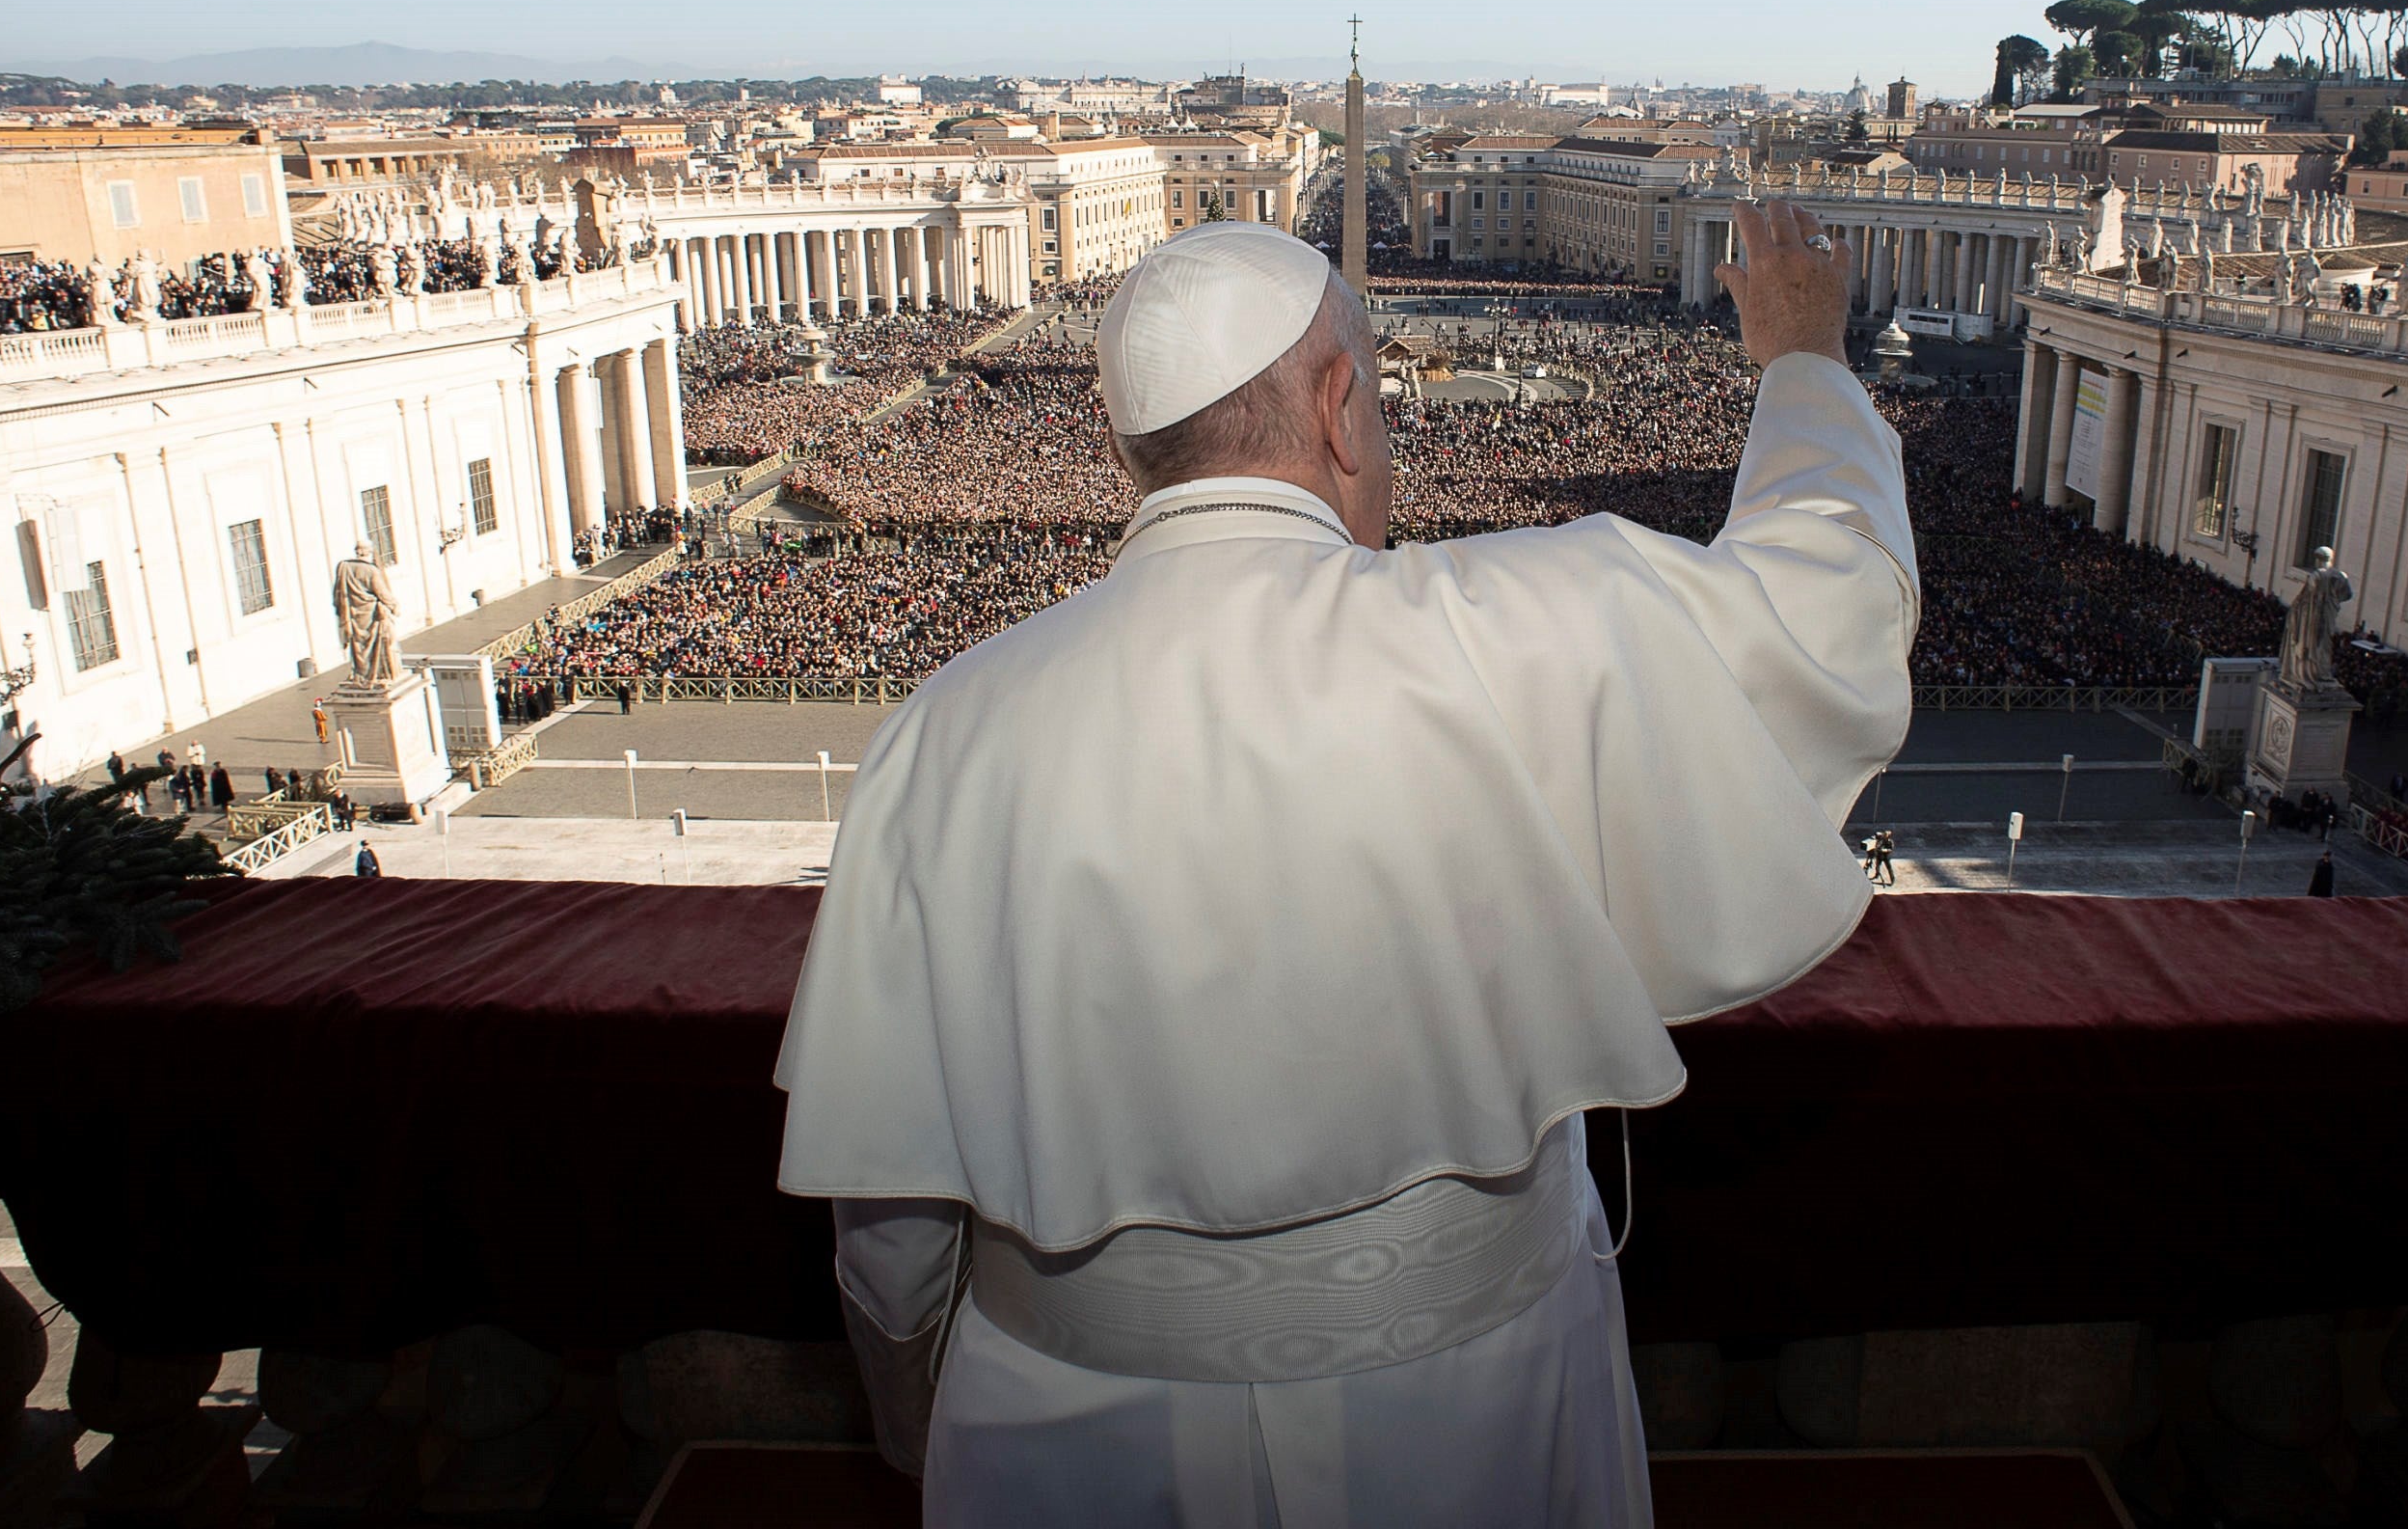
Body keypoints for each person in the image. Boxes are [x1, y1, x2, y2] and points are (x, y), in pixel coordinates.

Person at [779, 209, 1916, 1522]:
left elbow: (893, 1216)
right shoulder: (1516, 631)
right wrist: (1803, 359)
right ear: (1341, 413)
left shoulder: (941, 732)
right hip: (1470, 1416)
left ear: (1127, 447)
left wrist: (917, 1406)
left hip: (1065, 1426)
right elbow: (1829, 607)